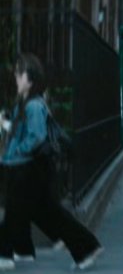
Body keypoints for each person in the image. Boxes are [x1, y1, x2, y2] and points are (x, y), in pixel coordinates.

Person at [0, 54, 103, 271]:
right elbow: (23, 133)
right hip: (21, 166)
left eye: (20, 74)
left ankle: (8, 254)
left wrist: (17, 151)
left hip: (26, 168)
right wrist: (7, 126)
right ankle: (24, 252)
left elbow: (36, 136)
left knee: (21, 211)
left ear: (30, 78)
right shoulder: (25, 104)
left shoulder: (34, 106)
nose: (16, 78)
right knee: (39, 213)